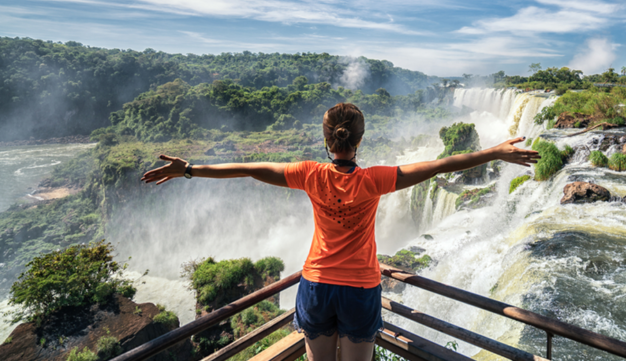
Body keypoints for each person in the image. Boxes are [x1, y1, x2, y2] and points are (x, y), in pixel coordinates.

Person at [142, 102, 539, 361]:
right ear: (360, 140)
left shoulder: (308, 174)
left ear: (327, 140)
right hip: (361, 289)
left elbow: (249, 167)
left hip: (315, 285)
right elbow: (440, 165)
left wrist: (189, 169)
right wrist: (494, 151)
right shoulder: (376, 180)